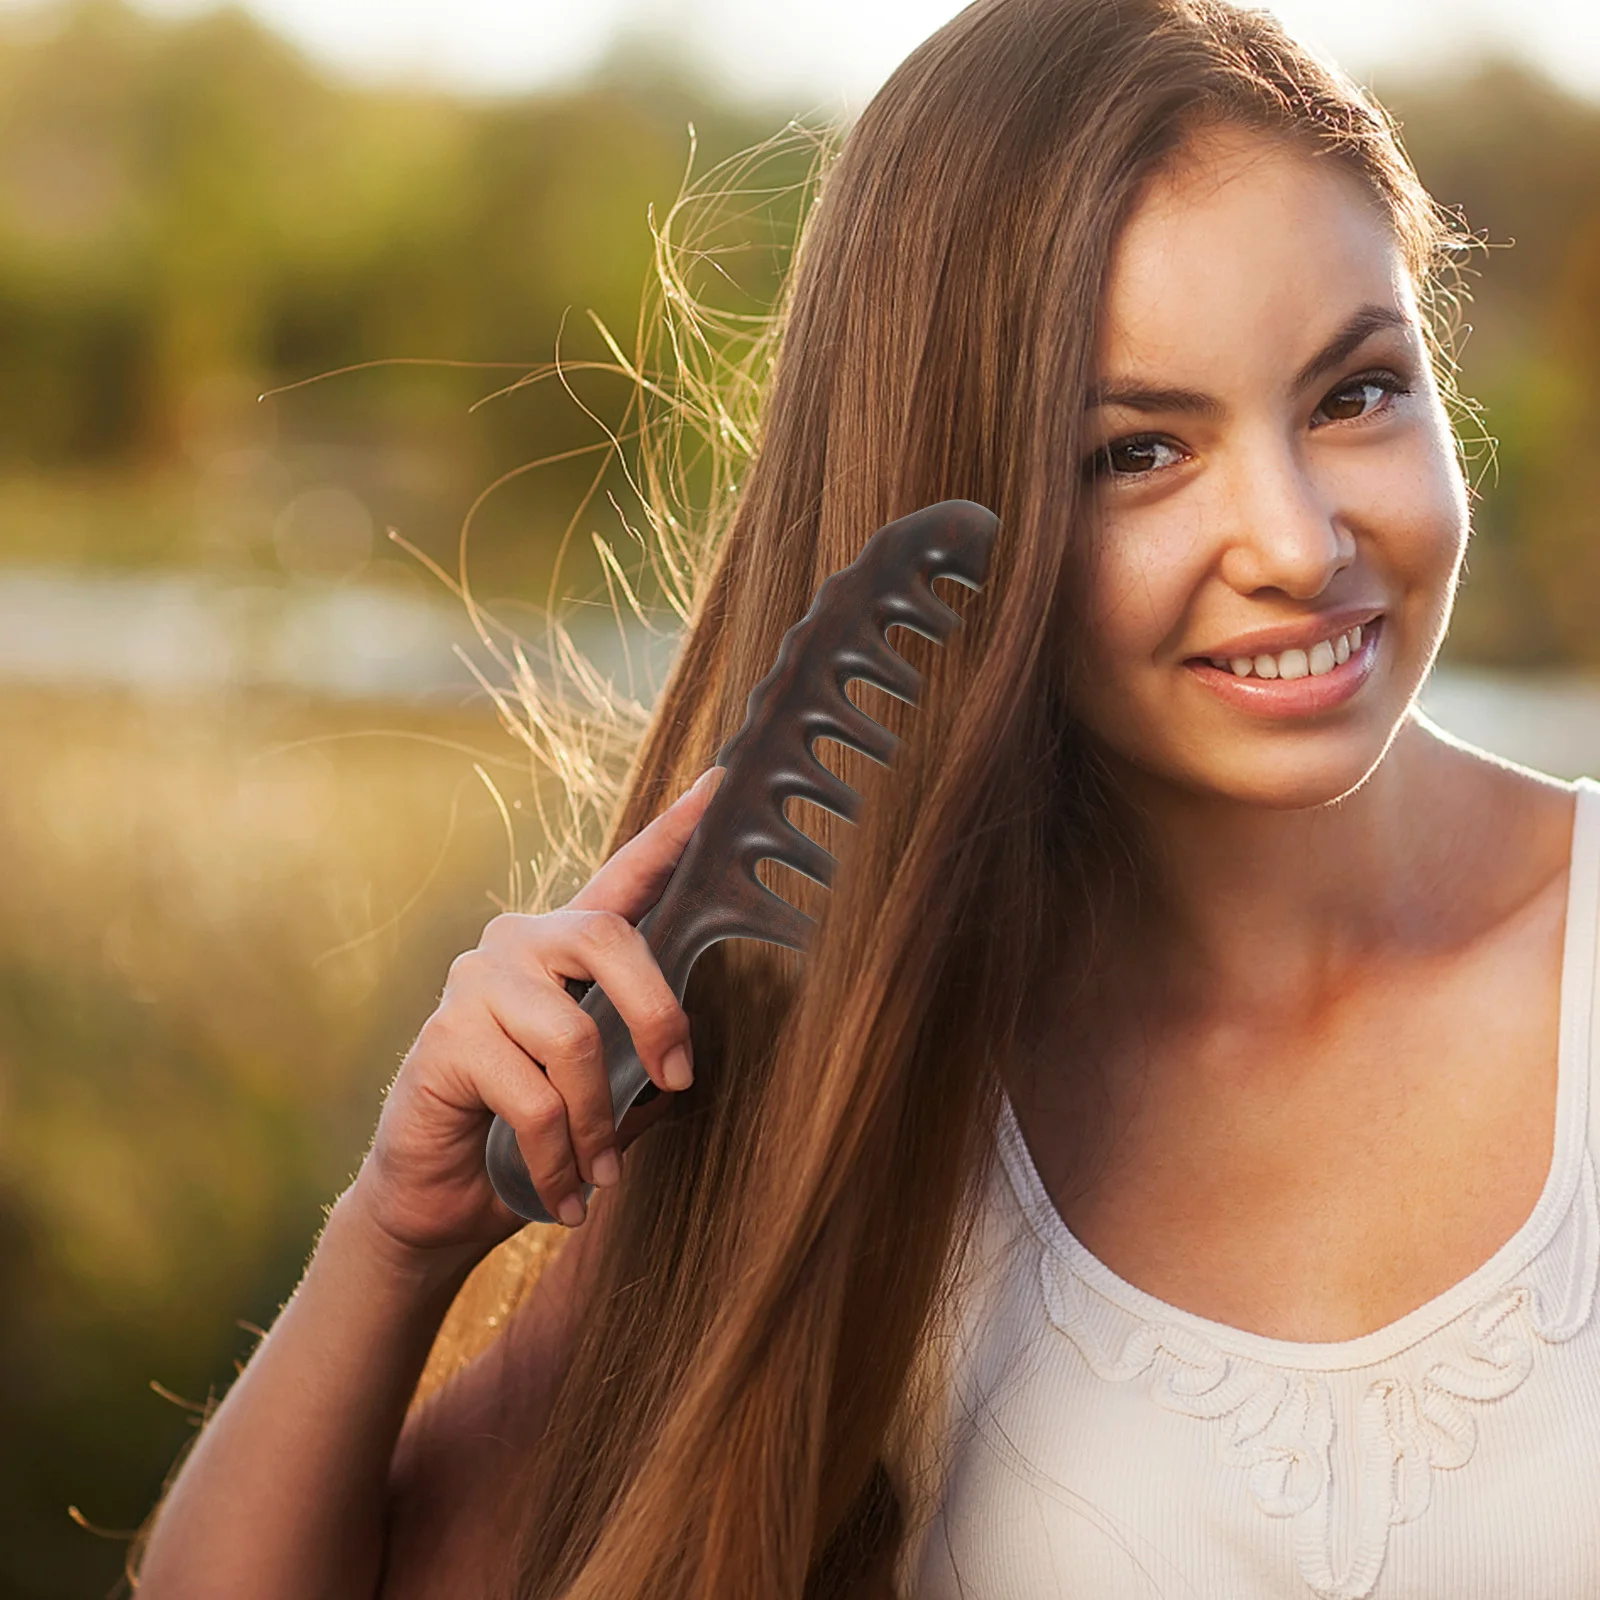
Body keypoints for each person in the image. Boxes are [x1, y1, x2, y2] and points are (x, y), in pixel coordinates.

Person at [134, 0, 1600, 1596]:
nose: (1300, 544)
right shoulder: (850, 1071)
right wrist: (395, 1241)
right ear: (946, 510)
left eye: (1356, 393)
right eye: (1134, 455)